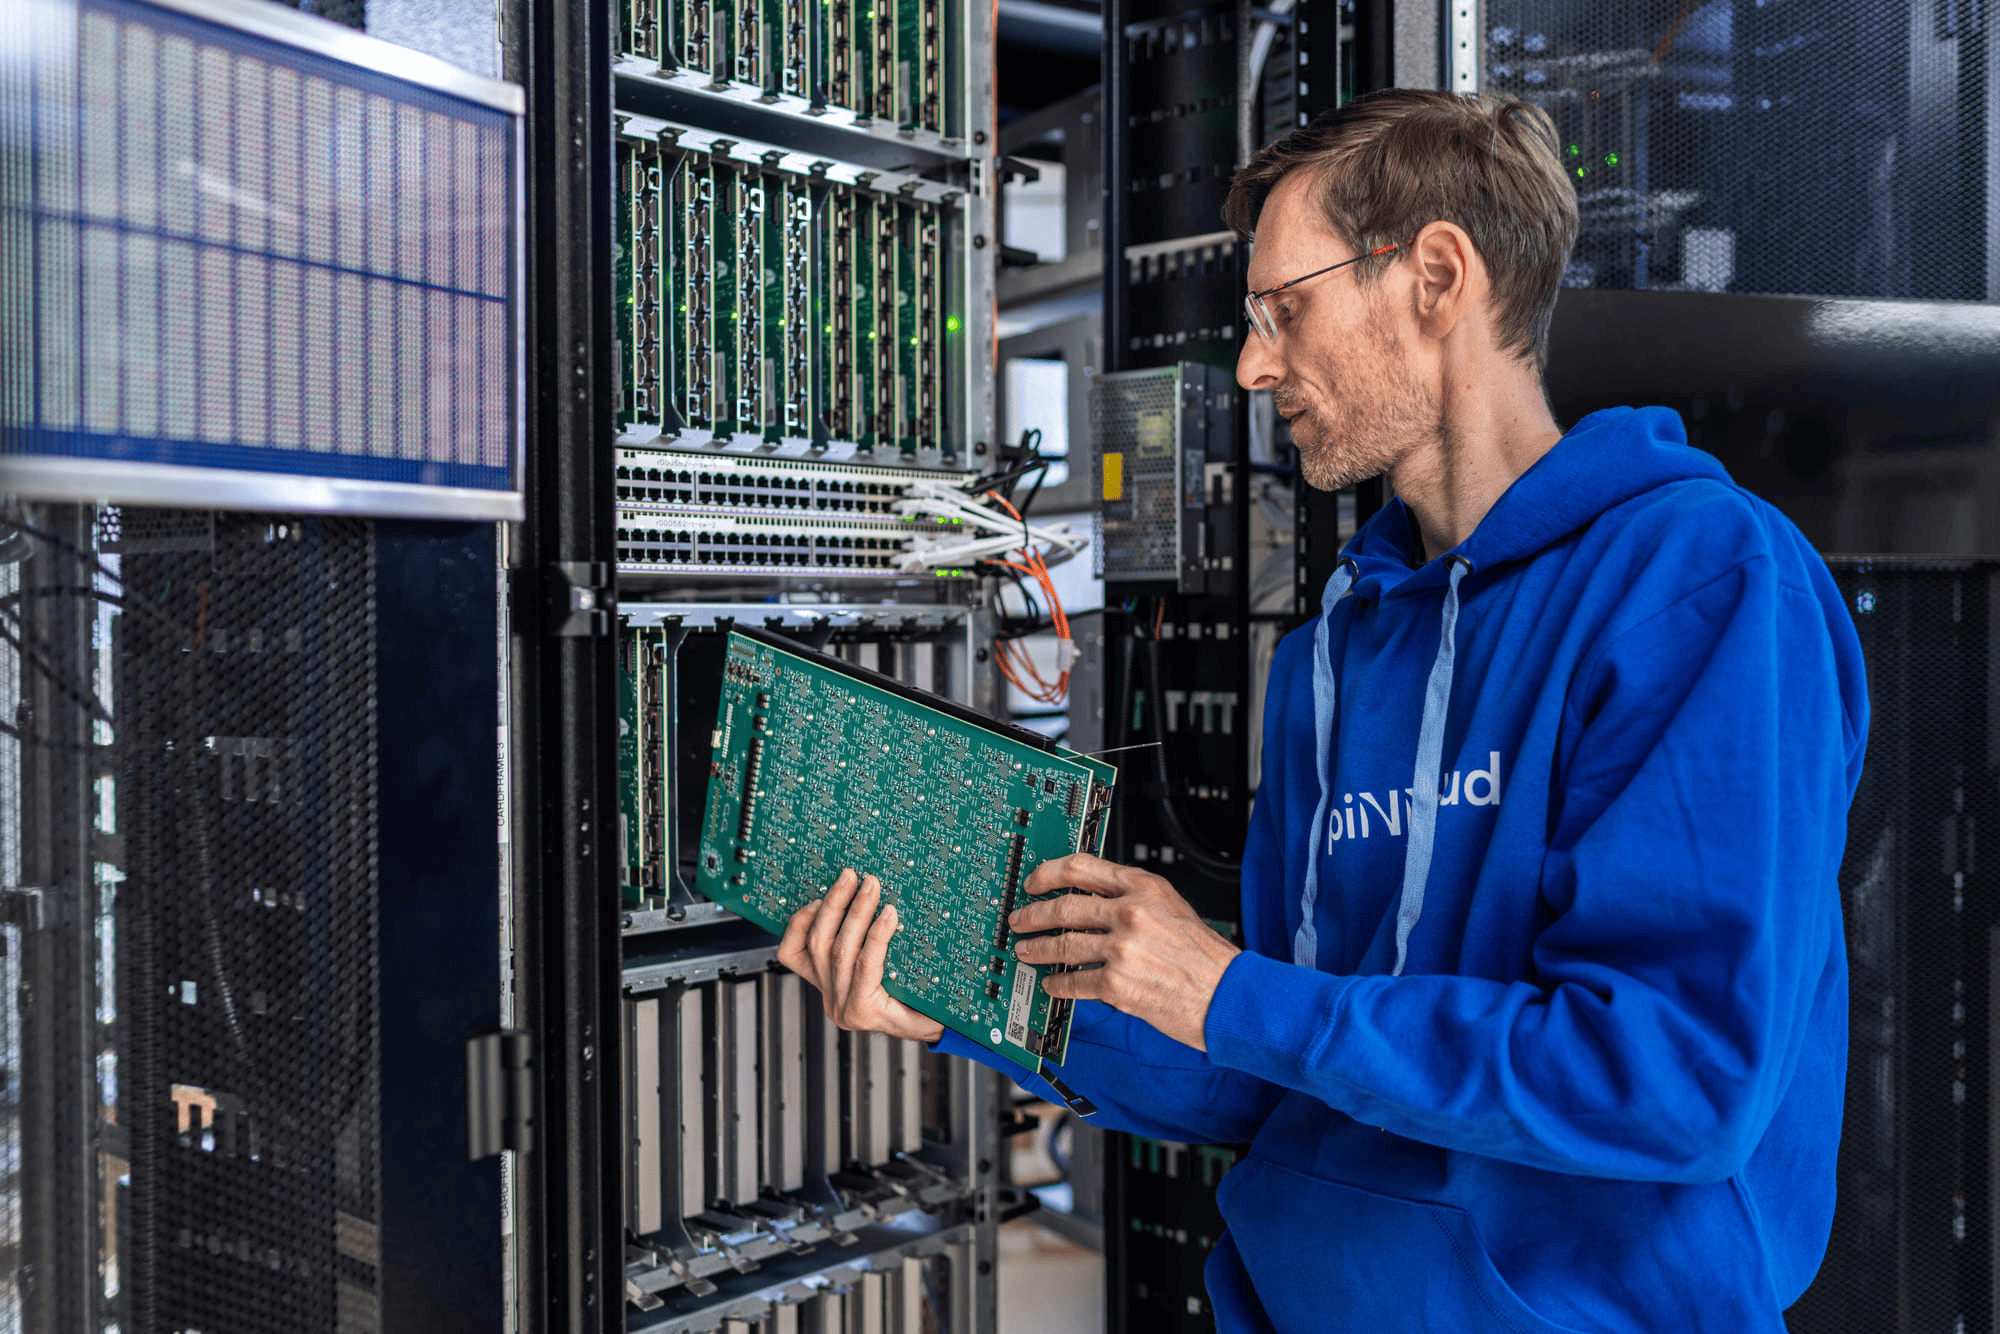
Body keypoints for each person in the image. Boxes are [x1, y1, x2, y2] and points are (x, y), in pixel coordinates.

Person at [779, 89, 1868, 1333]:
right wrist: (977, 1005)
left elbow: (1670, 1076)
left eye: (1283, 311)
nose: (1250, 365)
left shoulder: (1697, 584)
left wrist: (1229, 990)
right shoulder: (1332, 651)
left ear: (1436, 275)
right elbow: (1277, 1075)